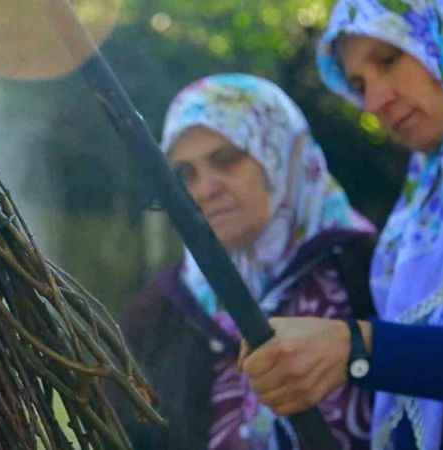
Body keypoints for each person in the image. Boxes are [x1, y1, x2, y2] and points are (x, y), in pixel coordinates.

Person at [239, 2, 443, 450]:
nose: (375, 101)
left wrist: (360, 348)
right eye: (359, 85)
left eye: (388, 59)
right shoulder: (421, 209)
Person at [113, 73, 376, 450]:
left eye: (226, 159)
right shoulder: (159, 313)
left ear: (282, 152)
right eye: (185, 174)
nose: (204, 188)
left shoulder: (376, 273)